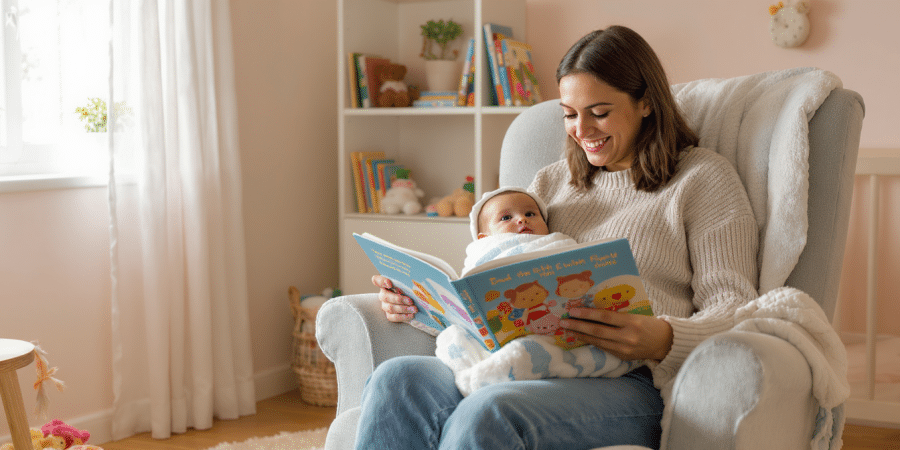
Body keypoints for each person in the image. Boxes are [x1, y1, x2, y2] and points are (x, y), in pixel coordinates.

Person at [359, 25, 759, 450]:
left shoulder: (702, 178)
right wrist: (419, 303)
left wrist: (663, 337)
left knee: (490, 411)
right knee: (396, 378)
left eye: (599, 112)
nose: (581, 129)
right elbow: (494, 281)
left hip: (632, 379)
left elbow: (735, 305)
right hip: (529, 362)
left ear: (645, 102)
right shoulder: (550, 184)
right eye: (569, 114)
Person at [461, 186, 576, 275]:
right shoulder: (481, 253)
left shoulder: (555, 243)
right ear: (485, 239)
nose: (522, 219)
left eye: (529, 214)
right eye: (506, 218)